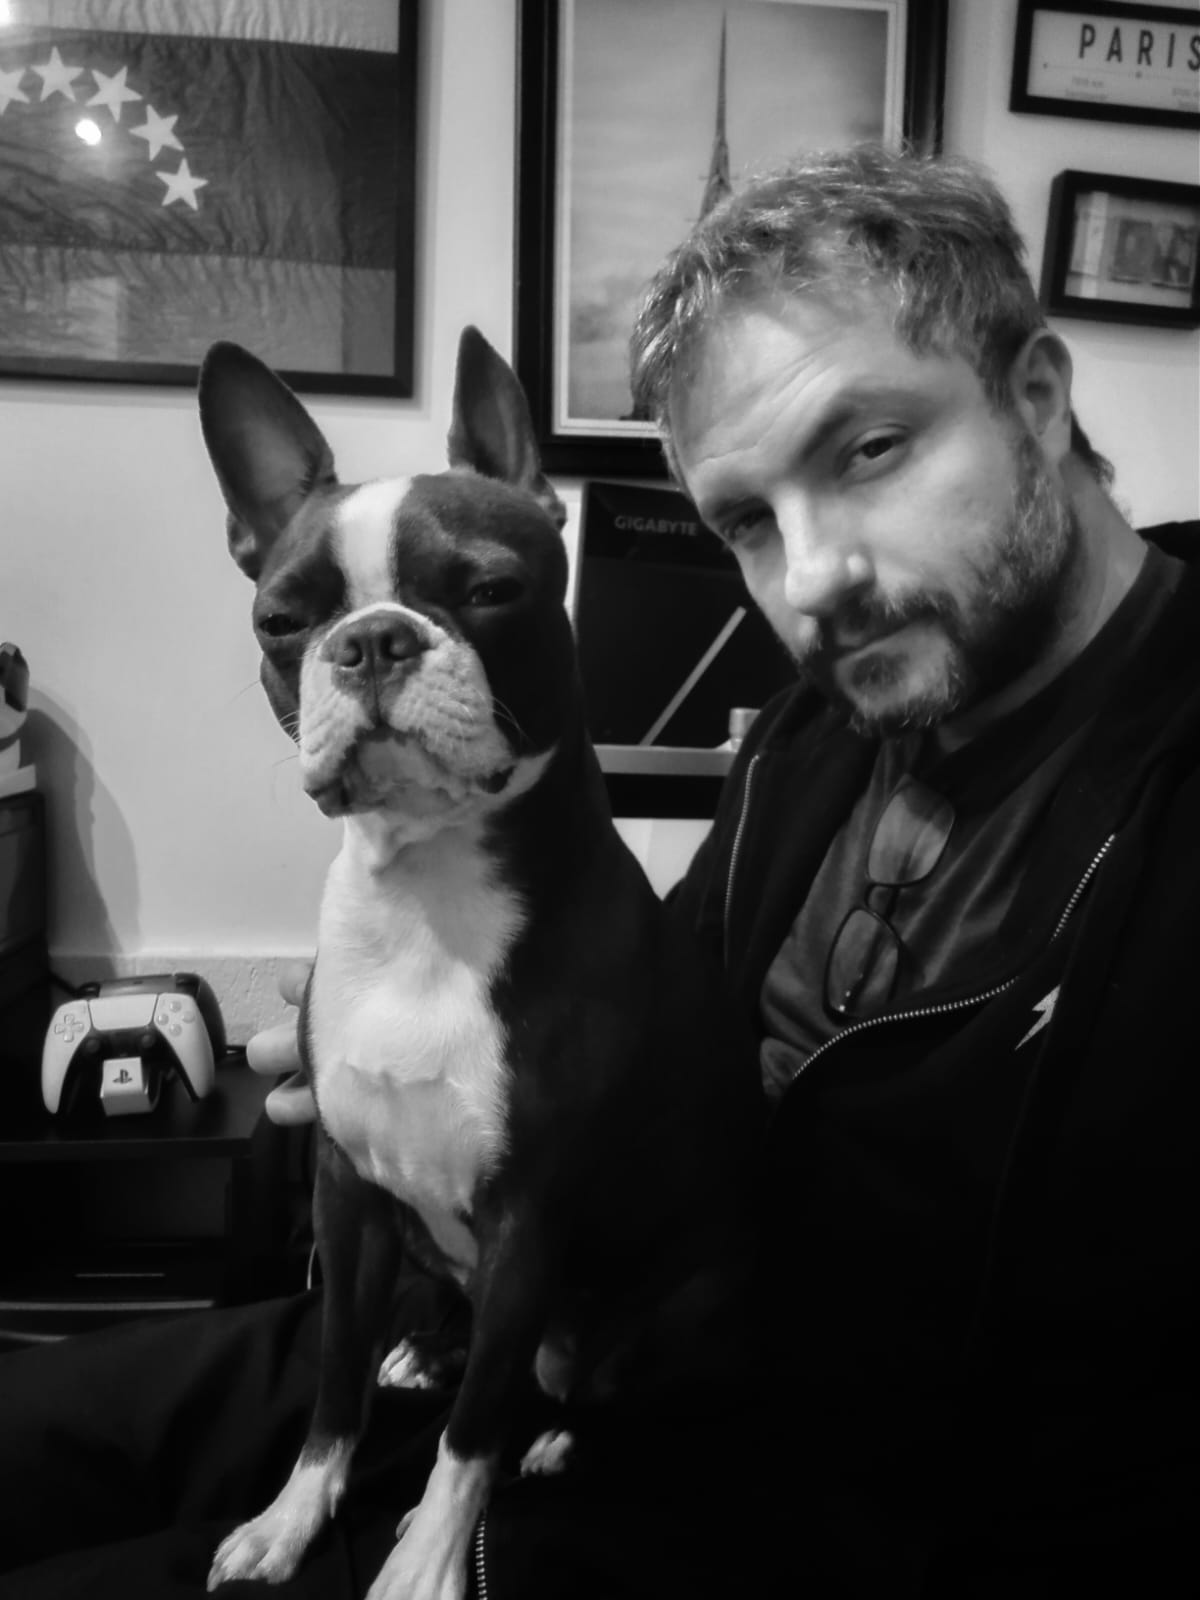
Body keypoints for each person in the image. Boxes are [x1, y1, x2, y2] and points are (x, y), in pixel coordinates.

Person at [2, 143, 1198, 1597]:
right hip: (507, 1313)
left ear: (1036, 395)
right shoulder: (828, 723)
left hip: (791, 1492)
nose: (810, 579)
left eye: (870, 449)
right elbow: (647, 1003)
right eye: (748, 520)